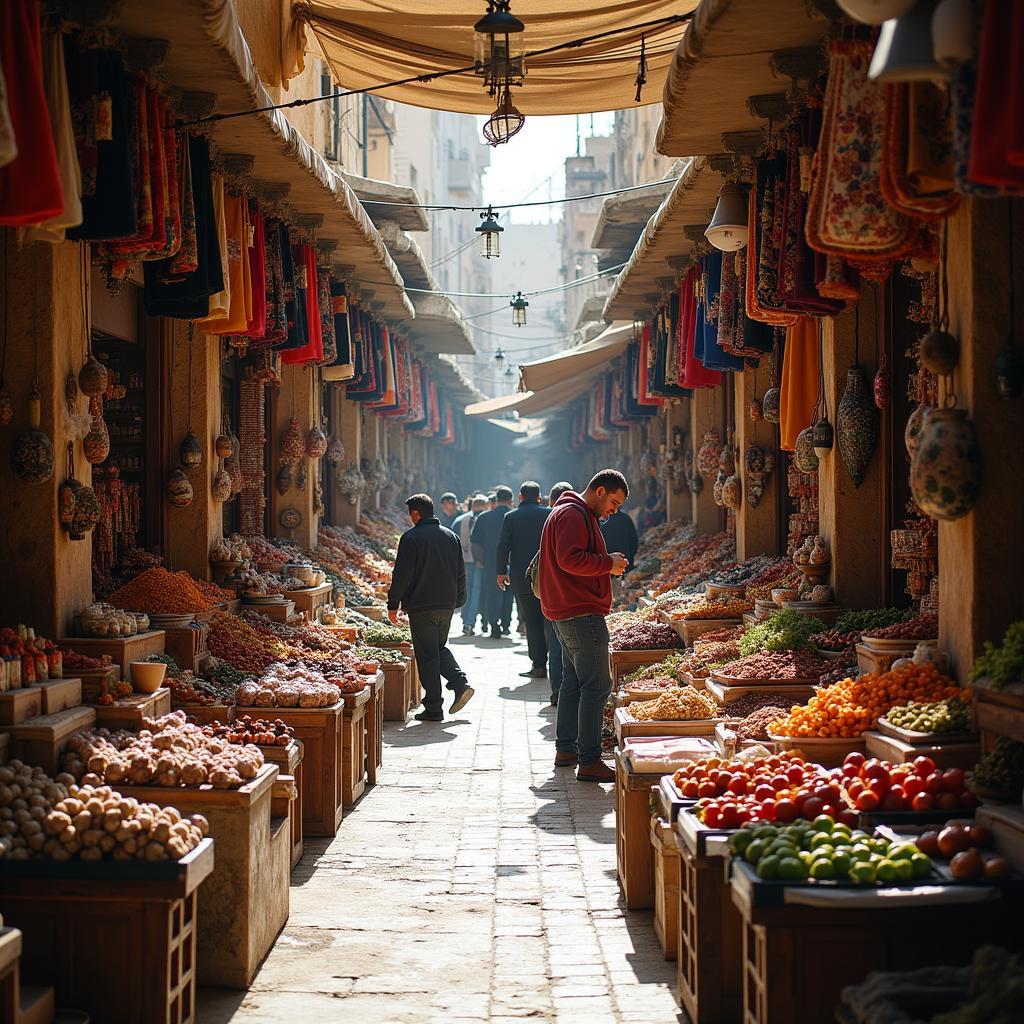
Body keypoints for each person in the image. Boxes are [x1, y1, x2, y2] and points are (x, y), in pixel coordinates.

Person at [538, 470, 629, 782]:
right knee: (597, 685)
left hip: (566, 609)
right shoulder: (573, 515)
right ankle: (589, 761)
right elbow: (569, 559)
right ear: (600, 490)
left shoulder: (568, 512)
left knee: (574, 681)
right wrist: (608, 563)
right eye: (613, 503)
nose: (613, 511)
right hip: (579, 611)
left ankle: (566, 748)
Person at [387, 494, 475, 722]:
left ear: (416, 513)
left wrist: (393, 603)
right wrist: (459, 600)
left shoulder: (411, 538)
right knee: (437, 648)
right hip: (446, 603)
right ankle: (459, 683)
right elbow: (460, 572)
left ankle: (434, 707)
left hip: (422, 604)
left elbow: (402, 574)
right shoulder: (451, 536)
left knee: (427, 654)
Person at [496, 481, 550, 679]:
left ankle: (538, 665)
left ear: (520, 496)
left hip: (522, 577)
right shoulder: (549, 514)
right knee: (550, 620)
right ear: (539, 496)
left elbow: (504, 546)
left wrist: (501, 572)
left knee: (532, 620)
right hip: (548, 578)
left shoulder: (510, 517)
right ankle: (556, 663)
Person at [544, 481, 574, 705]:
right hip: (568, 597)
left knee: (557, 646)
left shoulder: (551, 517)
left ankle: (558, 689)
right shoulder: (569, 518)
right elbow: (569, 560)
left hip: (550, 593)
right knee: (565, 651)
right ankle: (563, 691)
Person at [471, 485, 514, 639]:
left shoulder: (484, 517)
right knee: (509, 595)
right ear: (511, 500)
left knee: (491, 594)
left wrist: (479, 560)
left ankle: (494, 626)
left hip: (490, 562)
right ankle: (506, 625)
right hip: (511, 562)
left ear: (496, 499)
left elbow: (475, 541)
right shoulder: (514, 515)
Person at [452, 494, 487, 635]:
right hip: (478, 561)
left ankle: (465, 619)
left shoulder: (459, 520)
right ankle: (469, 623)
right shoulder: (484, 519)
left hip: (463, 561)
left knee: (466, 591)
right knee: (476, 591)